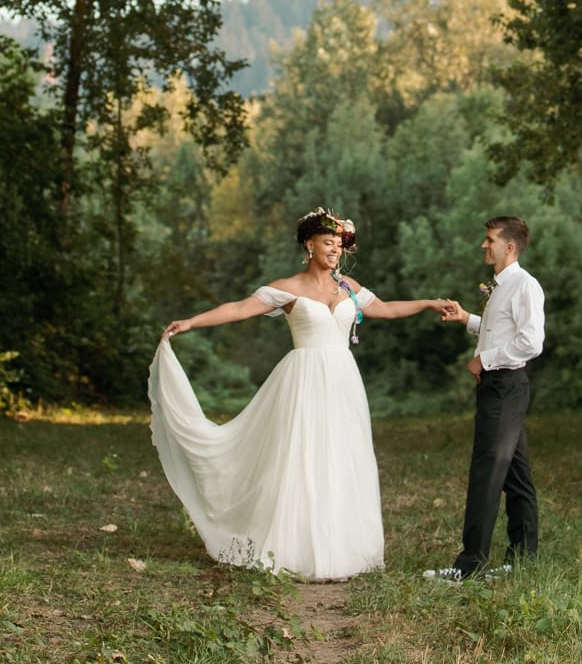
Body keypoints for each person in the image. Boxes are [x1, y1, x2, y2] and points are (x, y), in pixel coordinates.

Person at [149, 207, 453, 580]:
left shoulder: (348, 288)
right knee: (302, 457)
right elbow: (241, 308)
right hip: (303, 380)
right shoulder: (288, 288)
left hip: (343, 381)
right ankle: (293, 547)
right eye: (328, 243)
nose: (335, 251)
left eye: (339, 245)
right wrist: (192, 321)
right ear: (309, 245)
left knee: (342, 457)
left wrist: (428, 303)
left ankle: (342, 550)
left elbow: (386, 309)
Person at [428, 215, 545, 581]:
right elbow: (500, 332)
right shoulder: (502, 286)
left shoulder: (525, 286)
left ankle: (470, 565)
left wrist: (485, 359)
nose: (484, 245)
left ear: (509, 247)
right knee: (517, 475)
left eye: (490, 239)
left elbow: (530, 343)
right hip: (499, 386)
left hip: (505, 385)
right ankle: (523, 559)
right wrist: (467, 319)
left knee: (486, 473)